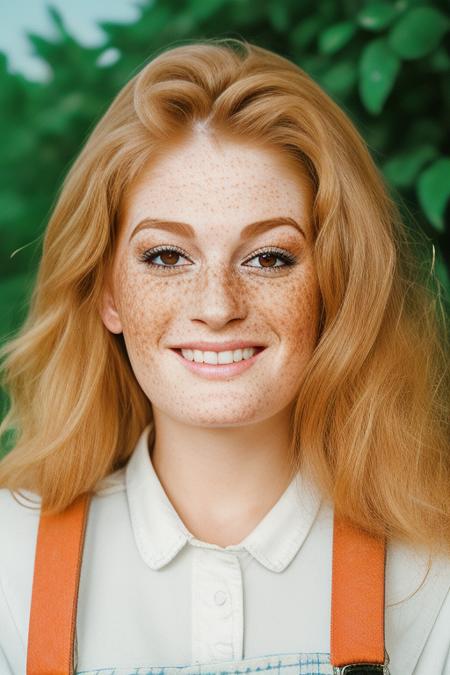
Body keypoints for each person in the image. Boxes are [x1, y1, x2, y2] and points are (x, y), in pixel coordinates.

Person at [0, 38, 448, 675]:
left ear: (336, 286)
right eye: (166, 256)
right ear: (107, 293)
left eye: (269, 257)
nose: (216, 306)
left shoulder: (435, 575)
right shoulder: (7, 561)